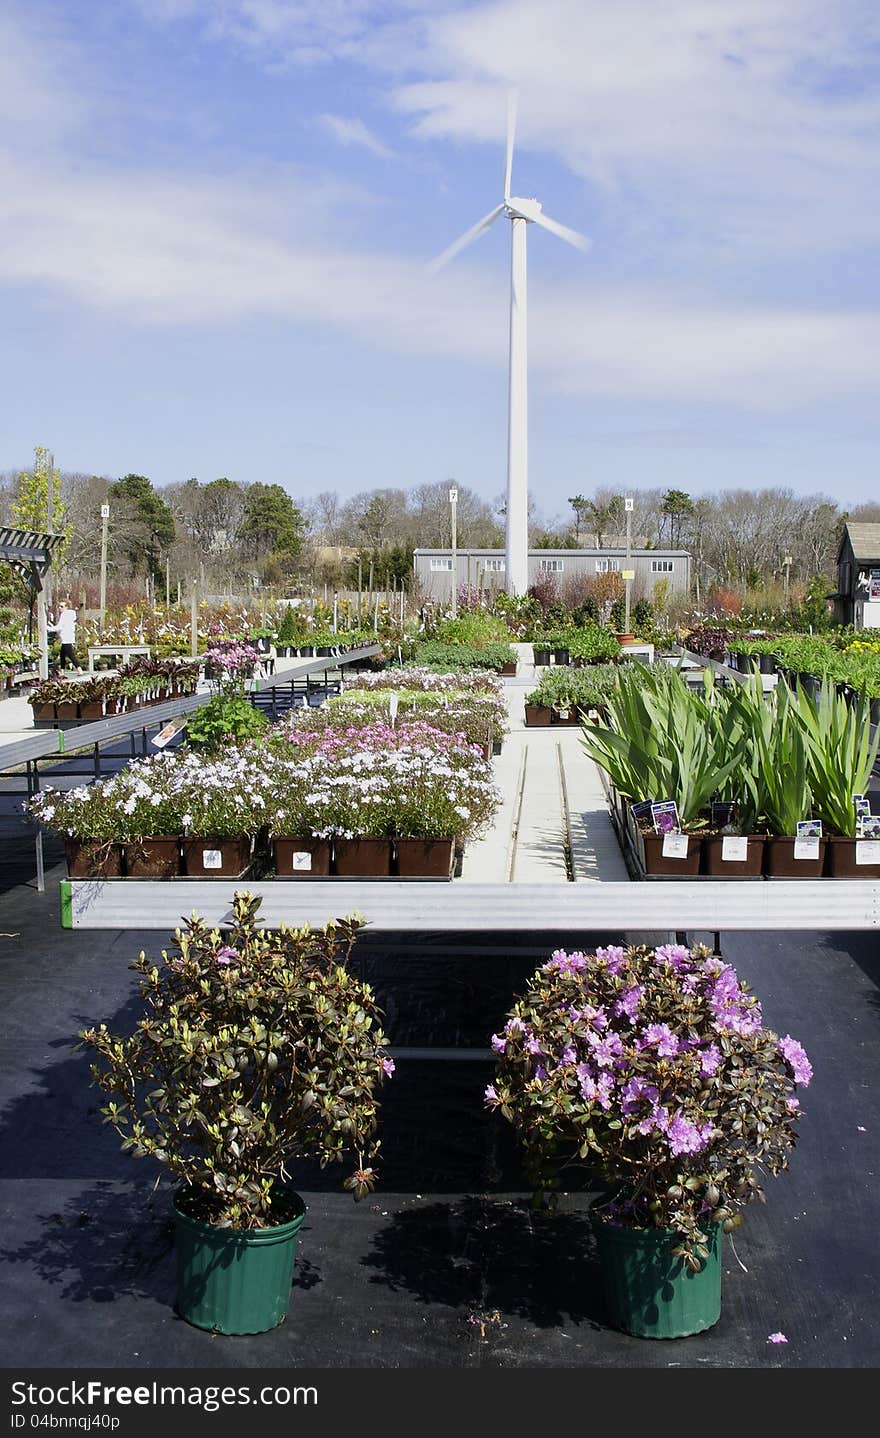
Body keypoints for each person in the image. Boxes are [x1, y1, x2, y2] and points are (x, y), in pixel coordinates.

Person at [48, 598, 81, 671]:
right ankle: (62, 671)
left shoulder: (64, 615)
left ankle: (79, 669)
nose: (60, 608)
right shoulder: (70, 615)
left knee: (71, 655)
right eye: (59, 606)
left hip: (66, 638)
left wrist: (48, 628)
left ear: (66, 607)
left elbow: (59, 627)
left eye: (62, 606)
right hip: (68, 638)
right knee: (62, 655)